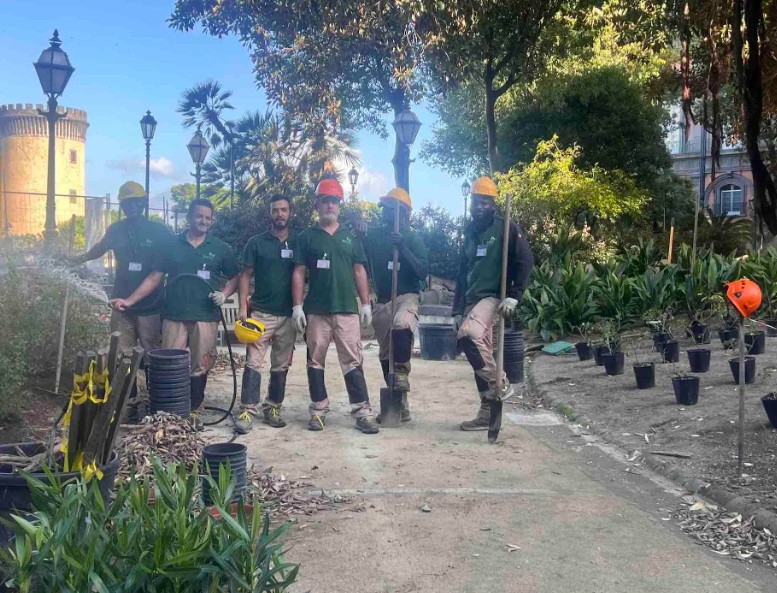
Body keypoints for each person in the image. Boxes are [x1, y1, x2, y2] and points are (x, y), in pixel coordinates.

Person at [111, 199, 240, 429]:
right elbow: (154, 277)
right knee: (171, 363)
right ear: (189, 217)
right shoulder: (172, 245)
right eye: (199, 216)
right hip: (174, 314)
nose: (203, 221)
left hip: (205, 315)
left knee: (200, 363)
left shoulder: (220, 248)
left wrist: (224, 294)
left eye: (208, 217)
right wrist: (129, 300)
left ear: (212, 220)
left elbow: (234, 277)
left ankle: (194, 409)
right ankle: (170, 409)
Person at [291, 178, 378, 434]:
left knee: (352, 360)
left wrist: (365, 303)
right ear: (317, 204)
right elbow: (298, 271)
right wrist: (297, 306)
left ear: (340, 206)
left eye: (334, 201)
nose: (330, 205)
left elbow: (359, 270)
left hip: (347, 310)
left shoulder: (350, 238)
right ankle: (318, 410)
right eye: (325, 200)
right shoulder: (306, 237)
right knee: (315, 360)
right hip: (316, 310)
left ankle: (362, 411)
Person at [453, 176, 534, 431]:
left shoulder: (506, 227)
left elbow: (525, 261)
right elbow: (462, 270)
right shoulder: (469, 232)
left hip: (492, 296)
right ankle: (487, 412)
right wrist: (456, 309)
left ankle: (501, 383)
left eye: (484, 201)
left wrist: (514, 295)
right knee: (481, 355)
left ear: (493, 204)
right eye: (476, 201)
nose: (479, 206)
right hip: (471, 299)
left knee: (469, 335)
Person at [71, 181, 172, 358]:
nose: (132, 206)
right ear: (122, 205)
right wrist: (78, 260)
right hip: (120, 304)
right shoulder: (115, 230)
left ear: (143, 202)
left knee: (153, 355)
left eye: (136, 202)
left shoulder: (158, 232)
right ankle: (127, 386)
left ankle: (152, 386)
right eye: (127, 203)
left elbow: (159, 272)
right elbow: (99, 248)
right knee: (121, 355)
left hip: (151, 306)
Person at [363, 188, 428, 422]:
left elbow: (422, 271)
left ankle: (401, 374)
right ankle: (400, 403)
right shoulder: (374, 236)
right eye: (384, 208)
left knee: (402, 324)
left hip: (406, 296)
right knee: (384, 354)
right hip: (382, 300)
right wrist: (356, 227)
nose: (384, 213)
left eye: (390, 209)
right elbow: (358, 240)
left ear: (403, 214)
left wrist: (403, 248)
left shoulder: (413, 238)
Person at [234, 194, 298, 433]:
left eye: (284, 210)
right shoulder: (256, 242)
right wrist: (243, 307)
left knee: (281, 364)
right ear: (269, 214)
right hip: (260, 314)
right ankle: (248, 410)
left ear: (290, 213)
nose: (279, 214)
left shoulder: (298, 242)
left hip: (289, 315)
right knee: (253, 362)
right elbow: (245, 275)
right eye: (275, 210)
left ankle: (273, 407)